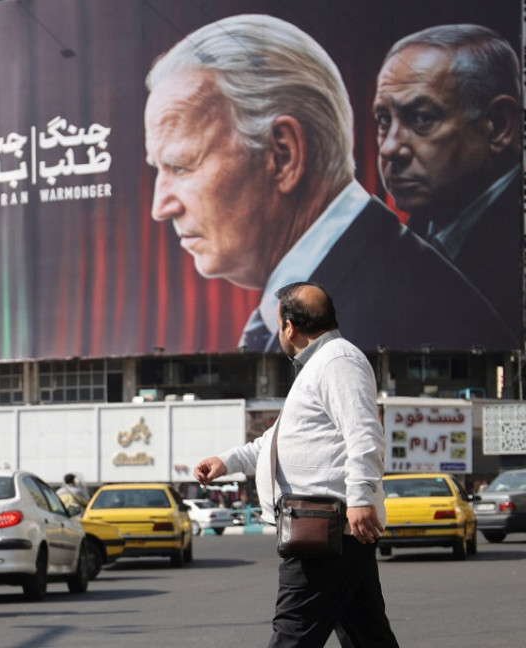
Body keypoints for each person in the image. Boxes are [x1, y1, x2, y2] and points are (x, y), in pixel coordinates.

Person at [143, 14, 514, 354]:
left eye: (180, 166)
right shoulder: (352, 284)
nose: (161, 206)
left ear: (283, 155)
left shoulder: (397, 311)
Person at [193, 281, 399, 647]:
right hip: (334, 527)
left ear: (290, 326)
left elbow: (365, 433)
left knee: (293, 634)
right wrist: (225, 462)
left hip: (323, 527)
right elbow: (274, 444)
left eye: (278, 325)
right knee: (366, 633)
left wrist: (361, 497)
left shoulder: (338, 362)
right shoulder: (320, 365)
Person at [374, 24, 522, 331]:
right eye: (383, 120)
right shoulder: (416, 230)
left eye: (421, 119)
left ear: (498, 125)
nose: (389, 147)